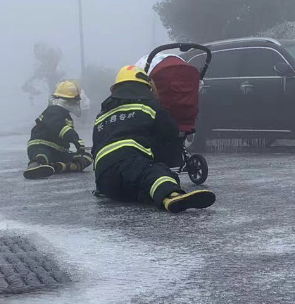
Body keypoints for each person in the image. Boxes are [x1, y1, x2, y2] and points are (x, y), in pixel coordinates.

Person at [92, 65, 215, 213]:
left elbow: (95, 148)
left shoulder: (101, 116)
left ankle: (149, 195)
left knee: (136, 184)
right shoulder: (148, 105)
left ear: (114, 90)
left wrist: (100, 185)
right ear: (147, 87)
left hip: (104, 180)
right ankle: (171, 195)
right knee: (155, 173)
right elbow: (170, 132)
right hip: (131, 163)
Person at [23, 80, 93, 179]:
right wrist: (76, 140)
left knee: (86, 158)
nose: (74, 104)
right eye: (72, 101)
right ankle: (35, 166)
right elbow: (60, 128)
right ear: (66, 100)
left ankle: (57, 167)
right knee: (43, 156)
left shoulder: (65, 115)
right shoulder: (53, 111)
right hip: (41, 146)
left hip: (59, 151)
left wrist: (80, 150)